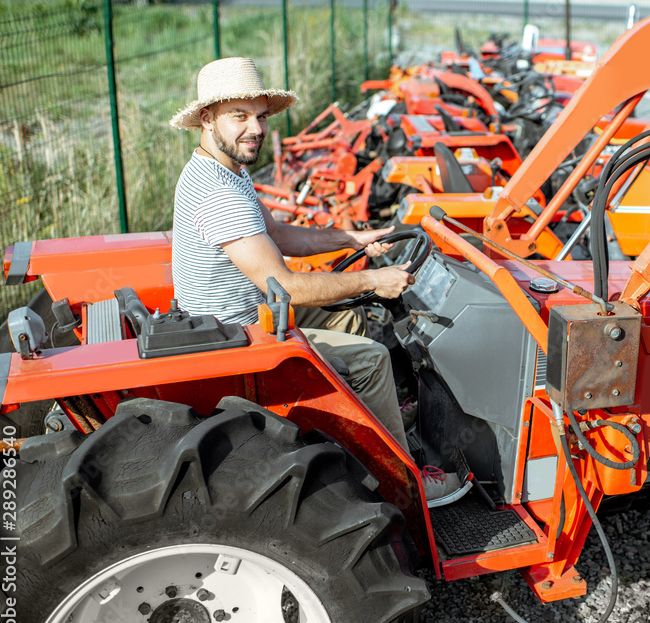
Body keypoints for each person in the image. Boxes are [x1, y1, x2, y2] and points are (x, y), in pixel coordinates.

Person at [170, 57, 463, 502]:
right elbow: (285, 286)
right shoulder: (219, 195)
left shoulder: (224, 170)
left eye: (261, 116)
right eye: (240, 116)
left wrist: (353, 239)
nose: (256, 128)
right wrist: (374, 280)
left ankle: (379, 417)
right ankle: (406, 482)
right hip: (238, 334)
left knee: (349, 320)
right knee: (370, 358)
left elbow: (280, 234)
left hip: (250, 308)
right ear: (207, 119)